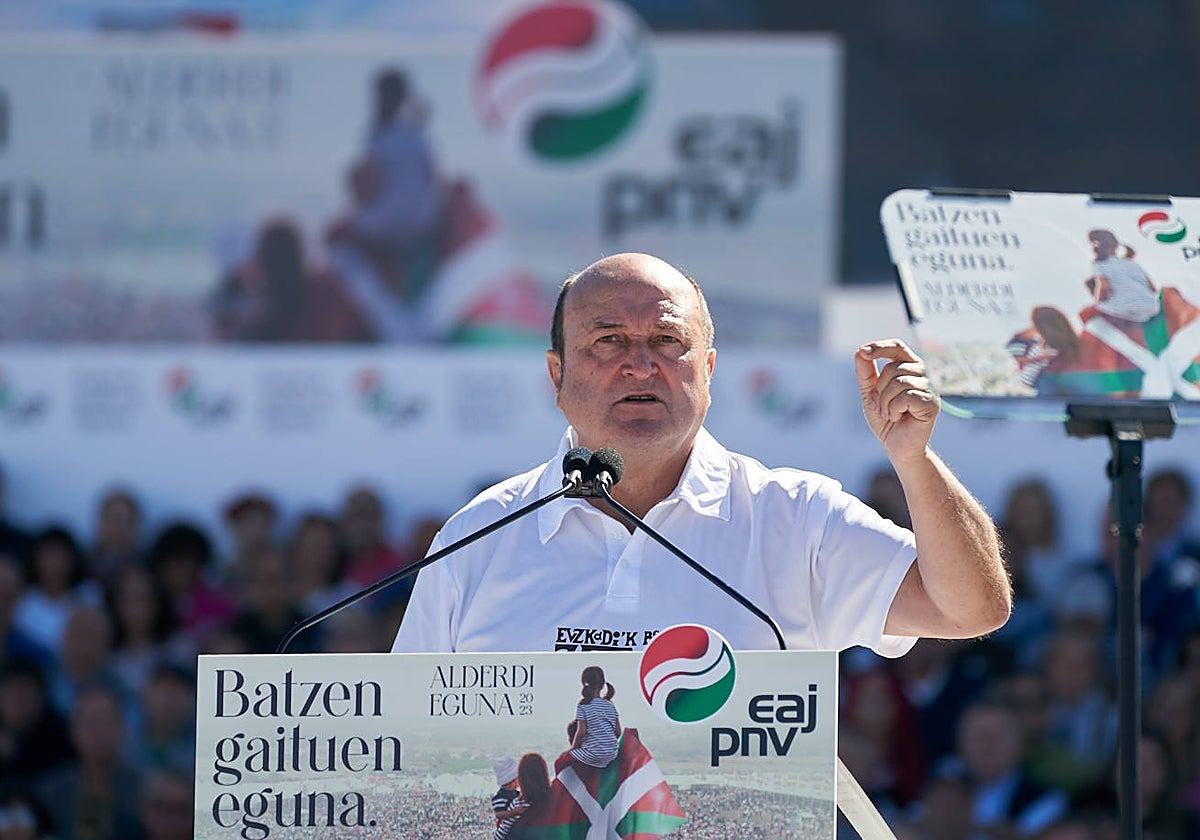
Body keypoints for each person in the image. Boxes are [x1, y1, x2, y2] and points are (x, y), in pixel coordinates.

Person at [392, 252, 1010, 654]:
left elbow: (970, 609)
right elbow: (410, 752)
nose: (640, 363)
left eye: (667, 341)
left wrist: (913, 461)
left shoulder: (794, 518)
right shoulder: (476, 538)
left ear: (708, 371)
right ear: (557, 376)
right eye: (607, 342)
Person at [1084, 228, 1159, 323]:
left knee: (1086, 314)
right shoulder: (1132, 263)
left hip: (1124, 309)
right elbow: (1153, 289)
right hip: (1151, 308)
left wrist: (1097, 304)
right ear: (1116, 246)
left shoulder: (1099, 264)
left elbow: (1103, 287)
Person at [565, 666, 621, 769]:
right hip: (613, 753)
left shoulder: (583, 705)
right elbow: (618, 732)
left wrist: (573, 749)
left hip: (593, 755)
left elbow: (581, 732)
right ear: (603, 685)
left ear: (584, 683)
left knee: (564, 759)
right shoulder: (610, 705)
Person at [489, 754, 526, 840]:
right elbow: (499, 814)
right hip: (507, 834)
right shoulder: (500, 797)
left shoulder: (516, 794)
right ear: (512, 781)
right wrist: (513, 812)